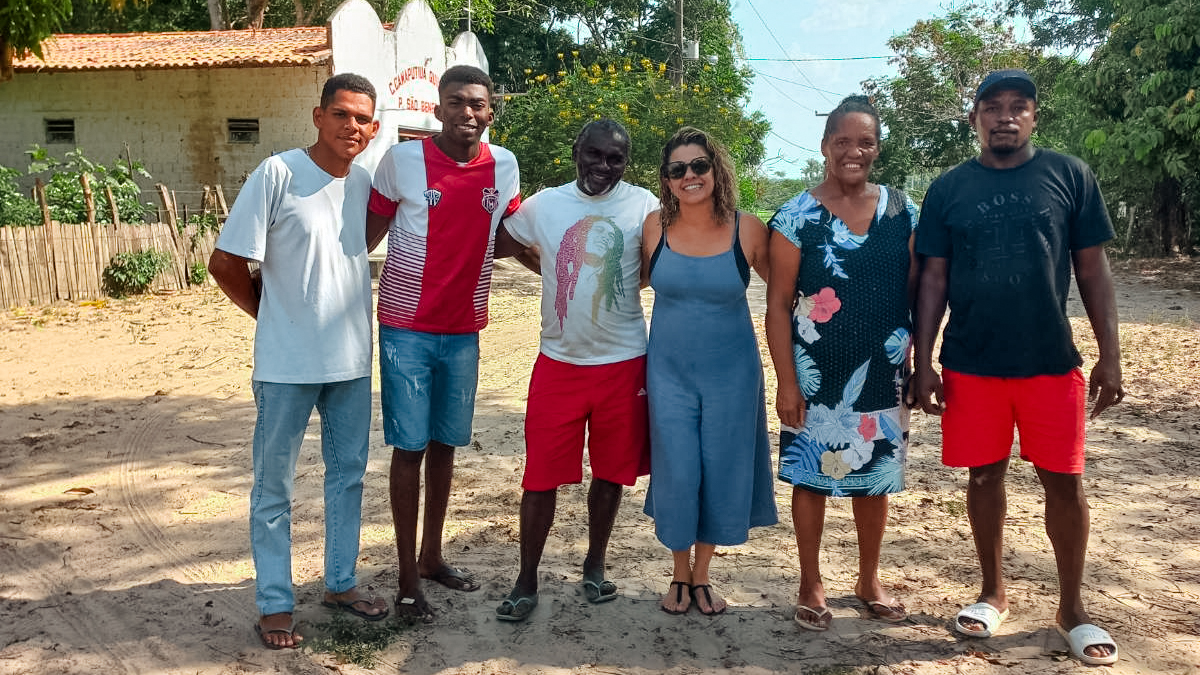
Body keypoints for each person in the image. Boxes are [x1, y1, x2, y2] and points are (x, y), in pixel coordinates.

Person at [912, 69, 1123, 666]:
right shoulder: (949, 188)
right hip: (971, 361)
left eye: (1018, 106)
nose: (1005, 116)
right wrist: (923, 362)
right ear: (974, 118)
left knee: (1066, 483)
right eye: (992, 107)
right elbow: (933, 277)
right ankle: (992, 593)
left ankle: (1072, 609)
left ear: (1034, 116)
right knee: (983, 478)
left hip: (1050, 360)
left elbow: (1092, 270)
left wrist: (1110, 354)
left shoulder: (1069, 175)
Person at [208, 73, 388, 649]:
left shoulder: (363, 183)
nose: (351, 126)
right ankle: (275, 603)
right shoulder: (278, 173)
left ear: (373, 129)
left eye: (362, 119)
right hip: (285, 367)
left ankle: (340, 583)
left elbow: (353, 252)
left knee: (348, 478)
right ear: (318, 116)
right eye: (341, 114)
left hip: (351, 364)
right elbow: (225, 263)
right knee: (274, 490)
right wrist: (272, 315)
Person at [366, 64, 521, 622]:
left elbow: (510, 234)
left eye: (477, 103)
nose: (467, 113)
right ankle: (407, 578)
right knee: (409, 450)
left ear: (491, 111)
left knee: (446, 446)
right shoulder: (401, 161)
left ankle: (432, 556)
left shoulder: (504, 165)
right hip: (405, 327)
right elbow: (364, 236)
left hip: (463, 331)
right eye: (456, 102)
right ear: (437, 108)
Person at [490, 119, 659, 622]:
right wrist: (547, 267)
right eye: (594, 154)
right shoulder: (545, 204)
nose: (603, 166)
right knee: (540, 477)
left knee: (610, 474)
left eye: (615, 159)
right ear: (576, 152)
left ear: (626, 163)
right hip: (558, 365)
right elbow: (500, 242)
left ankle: (595, 564)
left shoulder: (643, 205)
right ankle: (526, 580)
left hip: (624, 365)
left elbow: (654, 266)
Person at [765, 96, 918, 632]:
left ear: (878, 148)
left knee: (874, 477)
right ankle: (810, 582)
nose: (855, 151)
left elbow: (920, 292)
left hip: (884, 370)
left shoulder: (904, 211)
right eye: (843, 141)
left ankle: (868, 580)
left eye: (866, 142)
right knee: (811, 478)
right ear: (825, 146)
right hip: (816, 372)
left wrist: (919, 363)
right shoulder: (795, 216)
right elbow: (778, 305)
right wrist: (787, 382)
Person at [641, 126, 777, 616]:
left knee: (721, 469)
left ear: (716, 170)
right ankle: (678, 574)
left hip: (733, 376)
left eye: (699, 165)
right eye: (678, 169)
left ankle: (701, 577)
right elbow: (625, 284)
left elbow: (786, 296)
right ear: (666, 179)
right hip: (668, 375)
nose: (690, 176)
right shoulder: (653, 227)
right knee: (678, 471)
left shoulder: (749, 229)